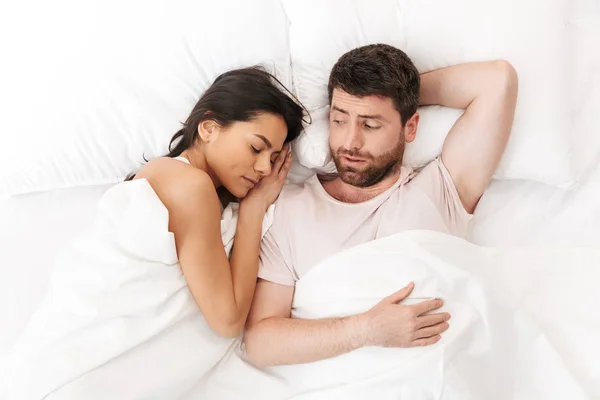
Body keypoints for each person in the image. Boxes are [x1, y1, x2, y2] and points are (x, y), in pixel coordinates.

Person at [244, 44, 518, 366]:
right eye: (339, 119)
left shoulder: (441, 189)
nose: (350, 142)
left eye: (371, 125)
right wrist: (366, 330)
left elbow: (498, 81)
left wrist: (401, 94)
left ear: (410, 127)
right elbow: (261, 342)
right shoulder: (290, 208)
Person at [129, 66, 305, 337]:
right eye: (256, 148)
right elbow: (229, 322)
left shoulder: (204, 194)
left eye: (273, 158)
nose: (266, 169)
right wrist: (254, 210)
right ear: (209, 128)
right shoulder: (189, 185)